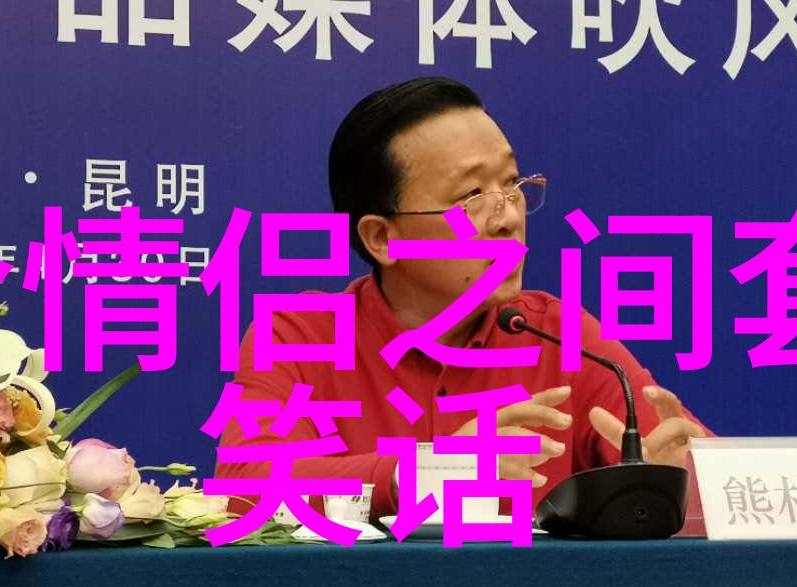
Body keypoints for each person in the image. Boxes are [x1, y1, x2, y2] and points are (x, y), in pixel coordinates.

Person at [213, 77, 708, 520]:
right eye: (471, 196)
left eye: (511, 183)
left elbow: (712, 474)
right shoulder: (301, 335)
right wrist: (426, 472)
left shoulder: (562, 335)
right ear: (382, 238)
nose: (508, 217)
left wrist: (680, 478)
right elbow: (245, 485)